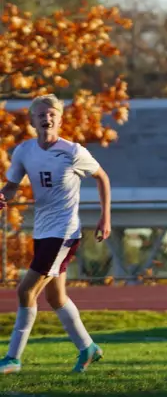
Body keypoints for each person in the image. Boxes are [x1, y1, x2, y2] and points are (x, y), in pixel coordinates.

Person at [0, 95, 111, 374]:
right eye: (41, 115)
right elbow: (12, 186)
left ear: (60, 119)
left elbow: (103, 178)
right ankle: (88, 348)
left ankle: (13, 358)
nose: (46, 119)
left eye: (52, 114)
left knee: (26, 290)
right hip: (42, 230)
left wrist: (104, 217)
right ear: (32, 120)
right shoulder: (24, 151)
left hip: (64, 232)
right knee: (55, 297)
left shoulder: (73, 152)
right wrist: (3, 196)